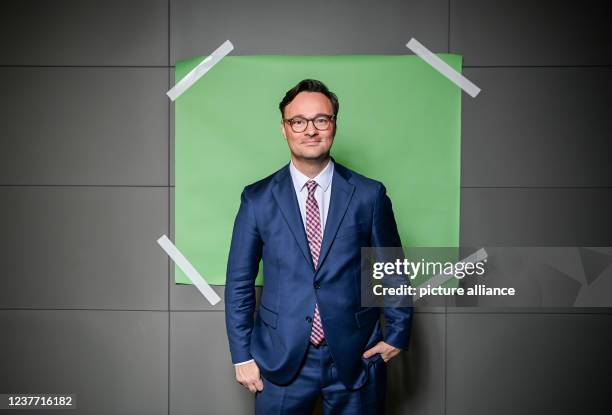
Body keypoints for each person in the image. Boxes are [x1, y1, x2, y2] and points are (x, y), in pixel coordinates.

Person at [224, 79, 412, 414]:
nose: (310, 130)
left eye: (321, 120)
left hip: (357, 358)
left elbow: (393, 271)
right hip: (280, 361)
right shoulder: (257, 198)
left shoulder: (369, 195)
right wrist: (241, 354)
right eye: (298, 121)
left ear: (333, 125)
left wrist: (397, 333)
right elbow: (239, 283)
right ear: (284, 129)